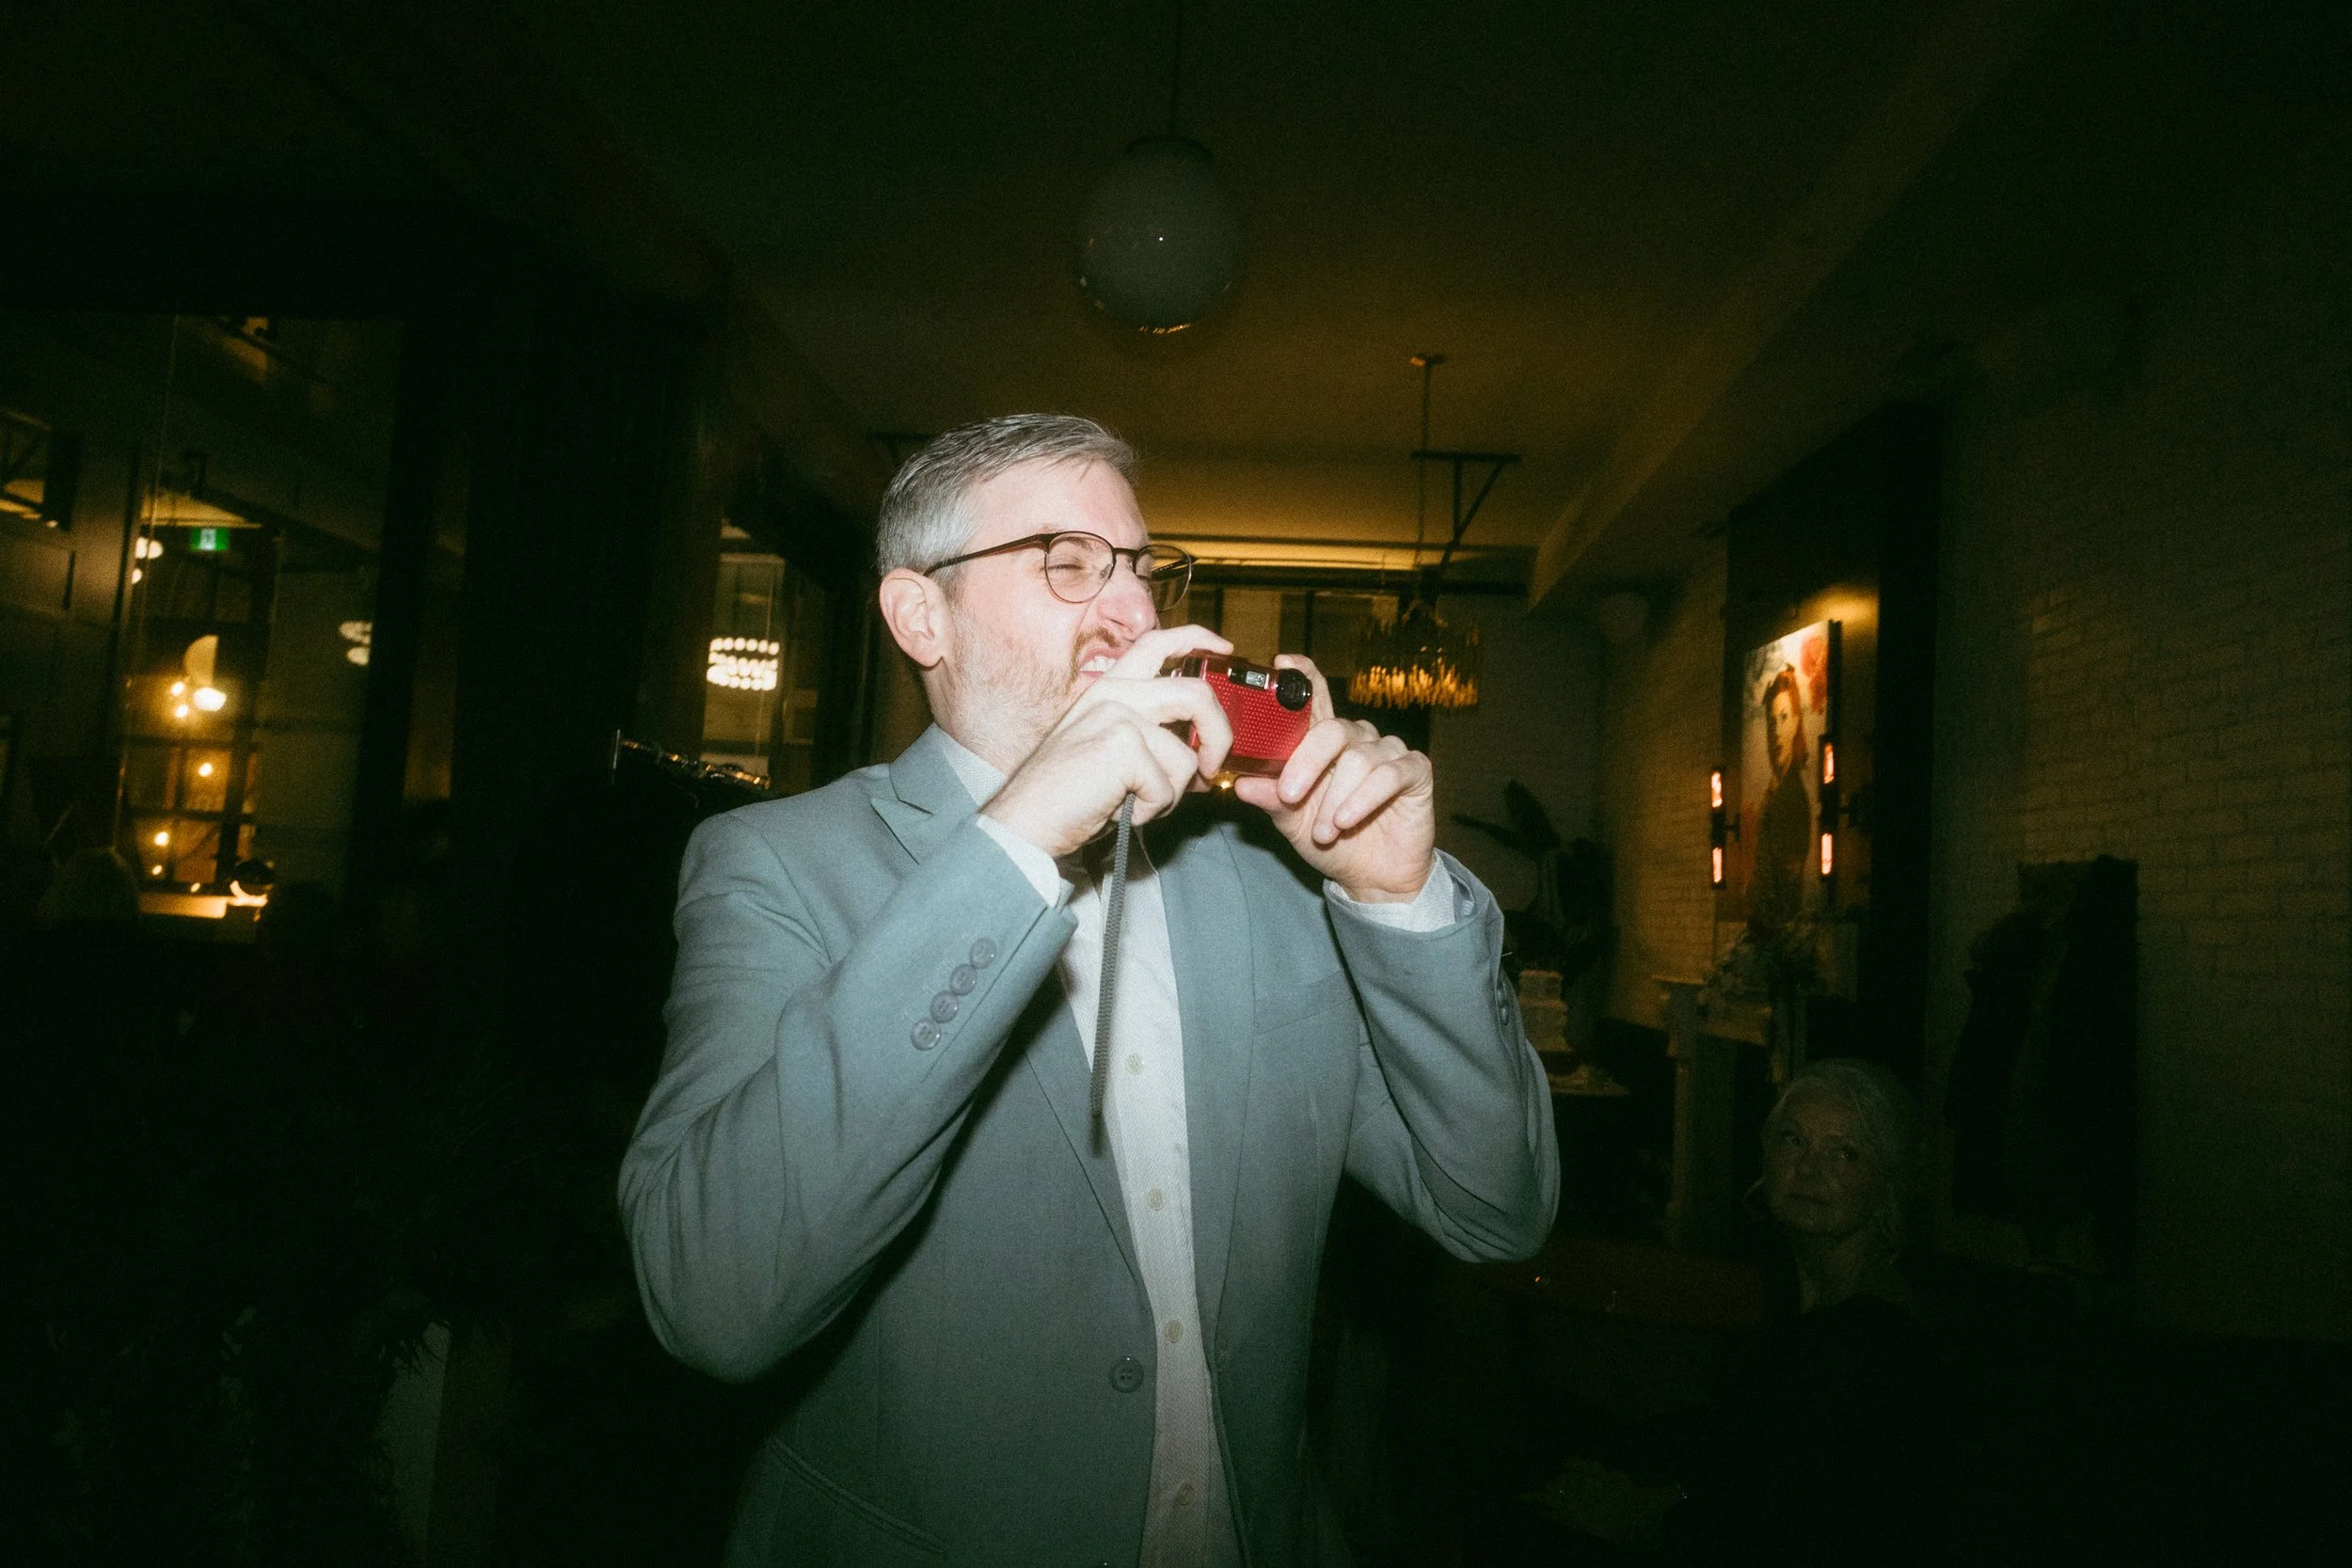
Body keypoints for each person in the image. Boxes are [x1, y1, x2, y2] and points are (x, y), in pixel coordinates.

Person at [619, 415, 1559, 1566]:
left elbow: (1495, 1209)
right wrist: (1016, 840)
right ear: (921, 616)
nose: (1131, 610)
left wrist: (1397, 894)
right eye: (1068, 562)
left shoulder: (1271, 865)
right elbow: (711, 1299)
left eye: (1142, 568)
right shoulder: (776, 865)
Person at [1676, 1058, 1949, 1565]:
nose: (1808, 1169)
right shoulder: (1793, 1293)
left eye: (1845, 1153)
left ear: (1888, 1181)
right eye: (1793, 1140)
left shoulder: (1866, 1343)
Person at [1747, 667, 1812, 937]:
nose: (1775, 731)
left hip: (1779, 933)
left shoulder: (1793, 796)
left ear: (1797, 721)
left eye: (1784, 718)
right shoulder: (1774, 790)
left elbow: (1787, 884)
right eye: (1771, 721)